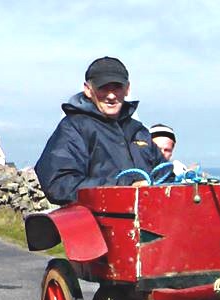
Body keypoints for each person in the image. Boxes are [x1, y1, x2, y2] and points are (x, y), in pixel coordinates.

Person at [35, 56, 167, 205]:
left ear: (127, 89)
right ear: (88, 90)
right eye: (103, 87)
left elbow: (165, 176)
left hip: (151, 221)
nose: (111, 95)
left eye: (117, 87)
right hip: (99, 223)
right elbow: (58, 184)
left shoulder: (139, 131)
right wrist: (124, 187)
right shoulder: (73, 128)